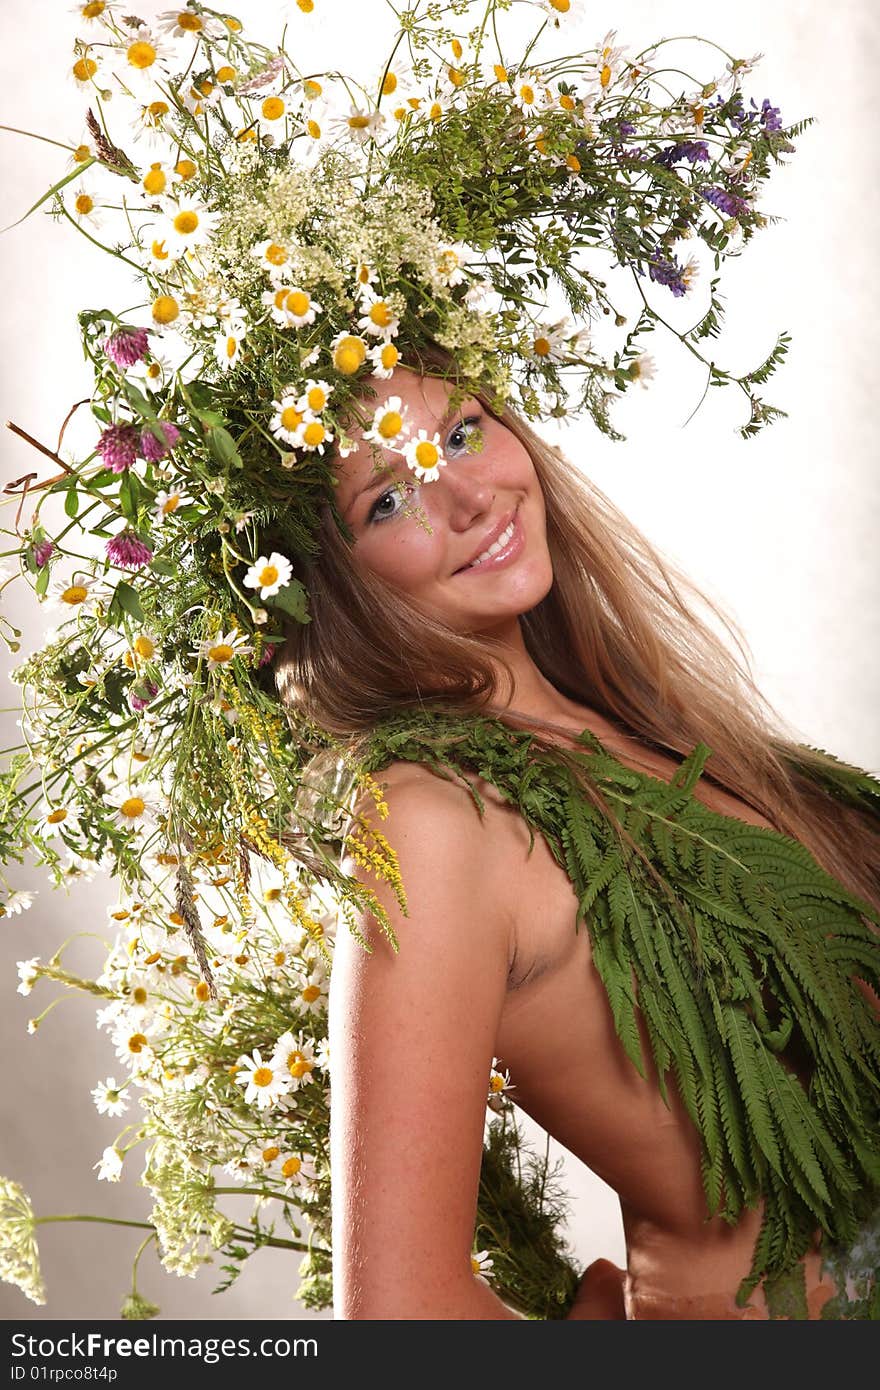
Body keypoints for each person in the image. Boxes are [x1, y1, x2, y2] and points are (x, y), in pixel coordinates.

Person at [269, 350, 880, 1319]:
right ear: (323, 588)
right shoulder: (432, 817)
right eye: (387, 501)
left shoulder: (641, 726)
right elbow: (397, 1318)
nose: (468, 497)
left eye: (462, 432)